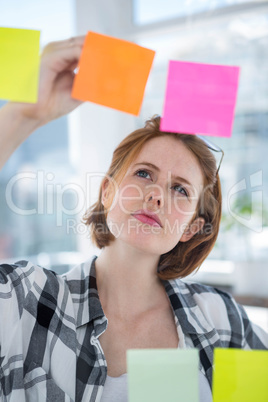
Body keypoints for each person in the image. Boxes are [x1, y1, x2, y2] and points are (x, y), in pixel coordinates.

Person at [0, 36, 267, 402]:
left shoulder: (221, 320)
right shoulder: (25, 301)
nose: (156, 194)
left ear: (191, 227)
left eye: (181, 190)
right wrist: (20, 116)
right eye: (144, 173)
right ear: (107, 193)